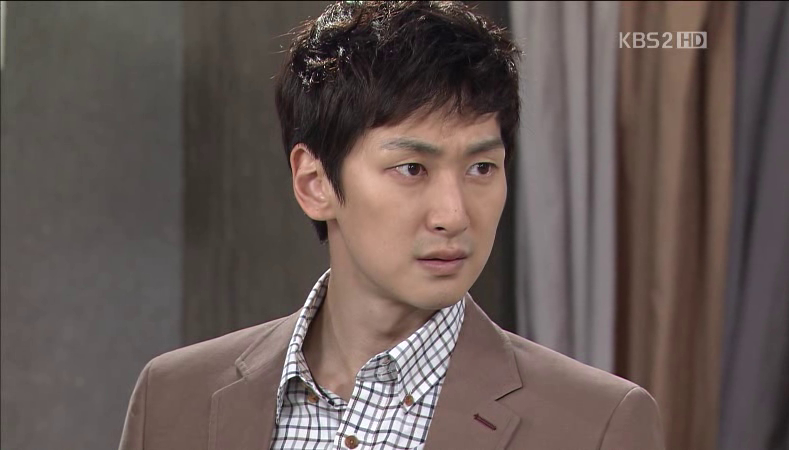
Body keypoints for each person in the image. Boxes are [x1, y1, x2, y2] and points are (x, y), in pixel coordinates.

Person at [118, 2, 665, 449]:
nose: (453, 215)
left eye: (481, 168)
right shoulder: (175, 398)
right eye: (412, 169)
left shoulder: (596, 425)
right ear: (314, 182)